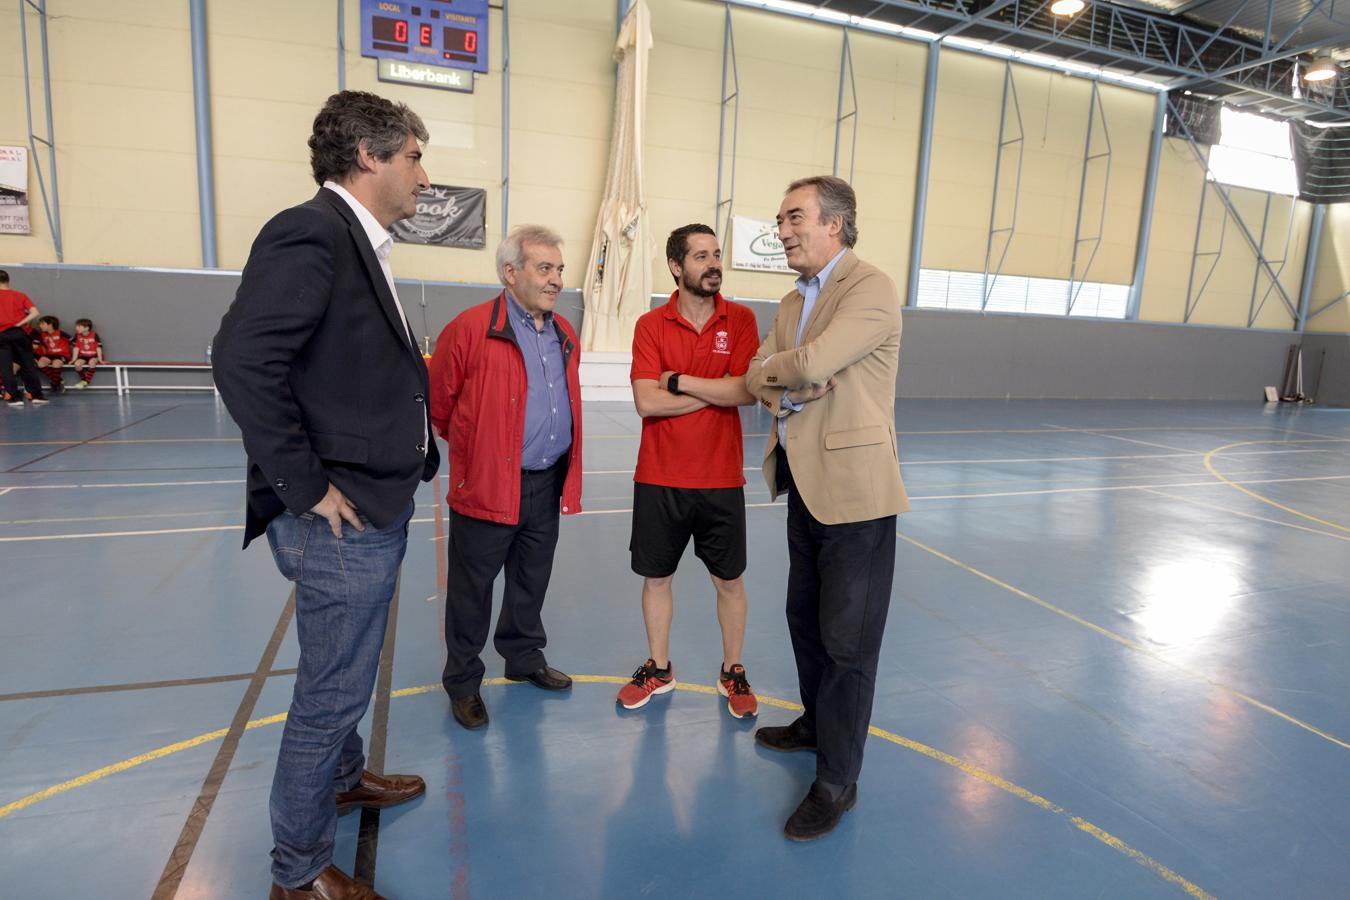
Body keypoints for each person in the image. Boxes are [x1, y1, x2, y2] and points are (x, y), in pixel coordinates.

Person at [211, 90, 439, 900]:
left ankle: (343, 779)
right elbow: (241, 359)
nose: (423, 172)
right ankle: (299, 875)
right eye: (414, 155)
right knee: (331, 690)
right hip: (339, 517)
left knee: (345, 664)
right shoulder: (310, 230)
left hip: (375, 501)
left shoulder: (356, 240)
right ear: (370, 156)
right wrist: (306, 487)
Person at [745, 175, 909, 842]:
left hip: (857, 496)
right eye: (781, 219)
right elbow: (764, 373)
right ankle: (816, 725)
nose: (782, 230)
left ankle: (838, 781)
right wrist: (789, 377)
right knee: (804, 620)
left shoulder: (870, 288)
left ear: (834, 224)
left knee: (848, 645)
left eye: (793, 218)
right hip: (804, 484)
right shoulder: (792, 299)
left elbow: (812, 362)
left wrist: (787, 370)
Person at [429, 224, 583, 731]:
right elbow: (441, 406)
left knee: (530, 581)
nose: (556, 279)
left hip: (546, 482)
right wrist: (481, 455)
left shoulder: (564, 334)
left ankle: (523, 658)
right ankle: (464, 683)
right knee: (472, 591)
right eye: (545, 268)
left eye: (559, 269)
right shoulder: (471, 328)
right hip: (489, 486)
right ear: (510, 272)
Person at [616, 223, 761, 718]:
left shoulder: (740, 320)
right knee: (656, 578)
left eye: (716, 253)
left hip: (721, 479)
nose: (713, 263)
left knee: (730, 582)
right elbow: (645, 403)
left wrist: (677, 382)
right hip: (659, 477)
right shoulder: (650, 325)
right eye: (701, 256)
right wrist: (712, 390)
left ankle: (733, 671)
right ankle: (658, 668)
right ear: (677, 267)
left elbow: (744, 391)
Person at [0, 270, 49, 407]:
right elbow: (35, 312)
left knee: (6, 367)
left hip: (1, 335)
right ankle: (36, 395)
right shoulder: (20, 295)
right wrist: (20, 323)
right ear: (8, 281)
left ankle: (15, 398)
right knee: (28, 365)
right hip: (19, 333)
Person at [35, 316, 72, 393]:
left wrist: (75, 357)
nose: (40, 326)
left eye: (42, 324)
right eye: (40, 324)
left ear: (50, 324)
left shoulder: (61, 333)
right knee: (40, 364)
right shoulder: (41, 334)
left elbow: (75, 341)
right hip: (50, 354)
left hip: (62, 354)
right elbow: (36, 346)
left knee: (56, 364)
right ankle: (58, 380)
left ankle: (54, 384)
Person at [69, 318, 104, 389]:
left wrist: (100, 360)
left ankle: (85, 382)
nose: (76, 328)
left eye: (79, 326)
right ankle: (84, 381)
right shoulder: (77, 335)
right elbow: (76, 348)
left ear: (87, 328)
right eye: (76, 326)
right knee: (77, 364)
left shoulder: (94, 335)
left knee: (92, 362)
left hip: (94, 356)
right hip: (83, 356)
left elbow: (98, 348)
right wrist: (73, 359)